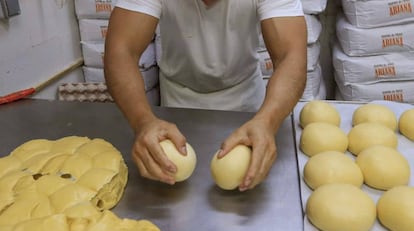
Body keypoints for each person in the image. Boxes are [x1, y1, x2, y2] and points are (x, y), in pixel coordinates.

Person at [104, 0, 307, 191]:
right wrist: (143, 122)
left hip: (246, 100)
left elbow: (290, 56)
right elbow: (122, 50)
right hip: (177, 102)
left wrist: (267, 122)